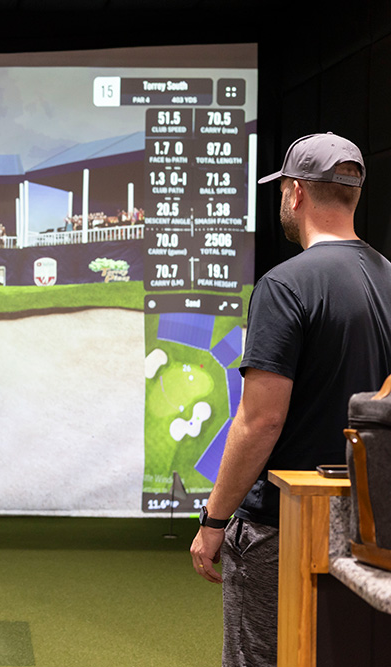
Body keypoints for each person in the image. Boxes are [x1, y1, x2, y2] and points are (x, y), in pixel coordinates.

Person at [189, 133, 391, 666]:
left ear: (296, 193)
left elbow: (260, 422)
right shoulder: (390, 277)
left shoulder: (285, 286)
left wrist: (214, 522)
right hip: (369, 532)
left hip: (284, 530)